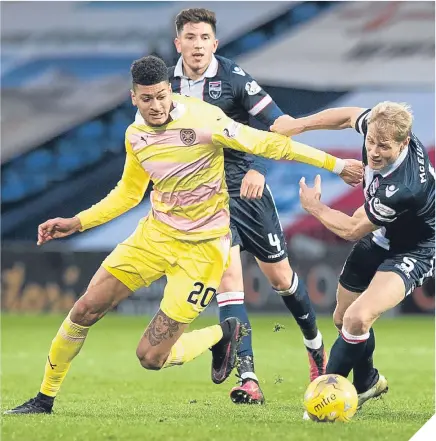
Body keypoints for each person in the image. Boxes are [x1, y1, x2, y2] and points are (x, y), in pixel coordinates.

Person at [5, 56, 362, 415]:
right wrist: (77, 222)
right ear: (133, 98)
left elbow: (270, 145)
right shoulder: (136, 135)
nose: (156, 105)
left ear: (170, 90)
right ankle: (44, 399)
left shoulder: (205, 119)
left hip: (202, 253)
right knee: (84, 309)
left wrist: (336, 164)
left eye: (162, 96)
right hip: (154, 238)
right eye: (147, 99)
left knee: (150, 357)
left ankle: (224, 333)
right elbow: (129, 194)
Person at [168, 7, 332, 404]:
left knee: (280, 278)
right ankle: (250, 379)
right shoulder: (164, 84)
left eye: (204, 38)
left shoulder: (233, 78)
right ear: (179, 43)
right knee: (227, 281)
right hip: (204, 195)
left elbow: (275, 125)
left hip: (246, 185)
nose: (197, 45)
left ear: (215, 43)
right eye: (190, 37)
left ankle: (315, 349)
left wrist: (259, 166)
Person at [272, 102, 435, 409]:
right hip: (382, 235)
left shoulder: (405, 187)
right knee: (341, 319)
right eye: (370, 141)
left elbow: (350, 229)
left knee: (357, 318)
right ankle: (367, 381)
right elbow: (347, 116)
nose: (373, 152)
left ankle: (322, 398)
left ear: (404, 142)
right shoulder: (382, 125)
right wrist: (298, 125)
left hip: (415, 248)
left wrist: (315, 207)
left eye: (383, 147)